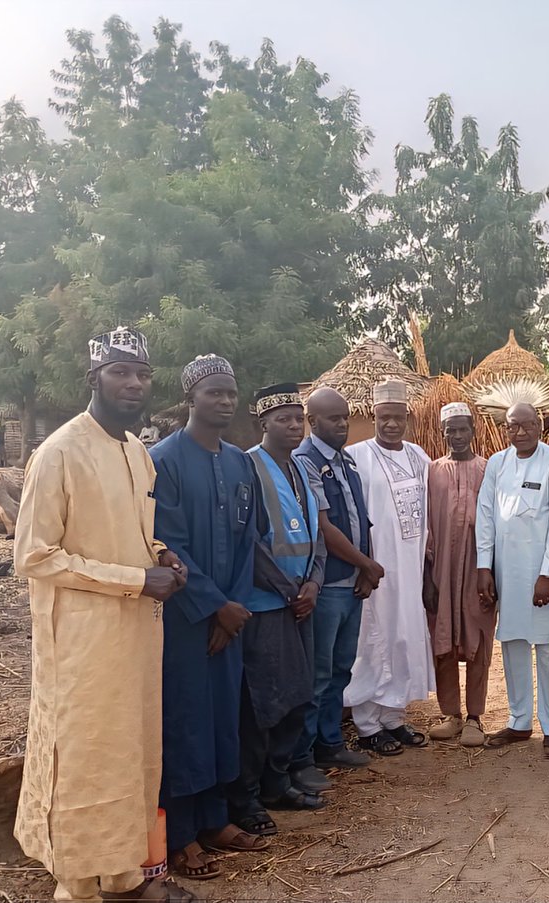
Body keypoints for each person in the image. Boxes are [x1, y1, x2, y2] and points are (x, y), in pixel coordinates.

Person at [14, 326, 195, 903]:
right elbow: (35, 556)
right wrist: (136, 580)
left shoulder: (138, 452)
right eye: (120, 372)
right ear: (94, 378)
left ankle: (124, 872)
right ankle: (76, 883)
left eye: (142, 373)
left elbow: (127, 536)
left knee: (132, 753)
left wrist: (160, 556)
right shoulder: (59, 451)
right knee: (86, 756)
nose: (134, 384)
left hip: (137, 635)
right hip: (82, 643)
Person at [150, 355, 269, 882]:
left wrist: (234, 609)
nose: (224, 401)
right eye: (214, 393)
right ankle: (179, 836)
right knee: (186, 722)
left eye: (230, 392)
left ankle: (216, 820)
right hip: (184, 619)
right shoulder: (164, 460)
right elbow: (164, 543)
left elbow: (249, 542)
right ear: (191, 399)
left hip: (230, 619)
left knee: (223, 721)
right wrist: (213, 605)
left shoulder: (241, 462)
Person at [227, 383, 329, 838]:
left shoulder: (303, 470)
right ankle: (246, 796)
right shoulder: (246, 468)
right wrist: (290, 590)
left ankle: (277, 781)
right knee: (263, 704)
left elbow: (318, 534)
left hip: (301, 602)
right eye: (283, 419)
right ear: (262, 423)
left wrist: (313, 583)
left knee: (297, 698)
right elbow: (247, 542)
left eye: (298, 419)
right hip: (267, 605)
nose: (293, 426)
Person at [290, 386, 383, 772]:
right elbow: (323, 526)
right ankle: (305, 754)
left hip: (351, 583)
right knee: (318, 672)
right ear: (312, 422)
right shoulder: (304, 461)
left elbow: (363, 518)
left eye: (345, 417)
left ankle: (330, 743)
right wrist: (365, 563)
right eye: (333, 418)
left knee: (342, 667)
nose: (343, 424)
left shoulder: (347, 462)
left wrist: (367, 564)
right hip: (326, 584)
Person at [477, 402, 549, 760]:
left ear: (540, 426)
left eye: (526, 425)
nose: (519, 432)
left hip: (543, 576)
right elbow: (485, 514)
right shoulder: (497, 464)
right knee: (513, 644)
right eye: (512, 426)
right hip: (507, 572)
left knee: (548, 652)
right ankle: (519, 721)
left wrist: (547, 574)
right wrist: (483, 566)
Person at [344, 378, 434, 755]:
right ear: (374, 416)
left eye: (398, 418)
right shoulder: (356, 456)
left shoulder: (420, 457)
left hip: (411, 566)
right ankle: (366, 725)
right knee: (373, 641)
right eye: (385, 418)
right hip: (375, 568)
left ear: (408, 418)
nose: (392, 424)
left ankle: (393, 718)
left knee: (404, 637)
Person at [424, 402, 492, 747]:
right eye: (451, 429)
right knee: (443, 638)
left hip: (479, 571)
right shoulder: (432, 471)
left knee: (478, 640)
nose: (457, 435)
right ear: (442, 433)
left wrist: (491, 572)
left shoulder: (488, 469)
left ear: (474, 431)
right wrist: (428, 577)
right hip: (442, 571)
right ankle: (450, 713)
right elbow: (425, 528)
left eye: (463, 428)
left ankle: (475, 718)